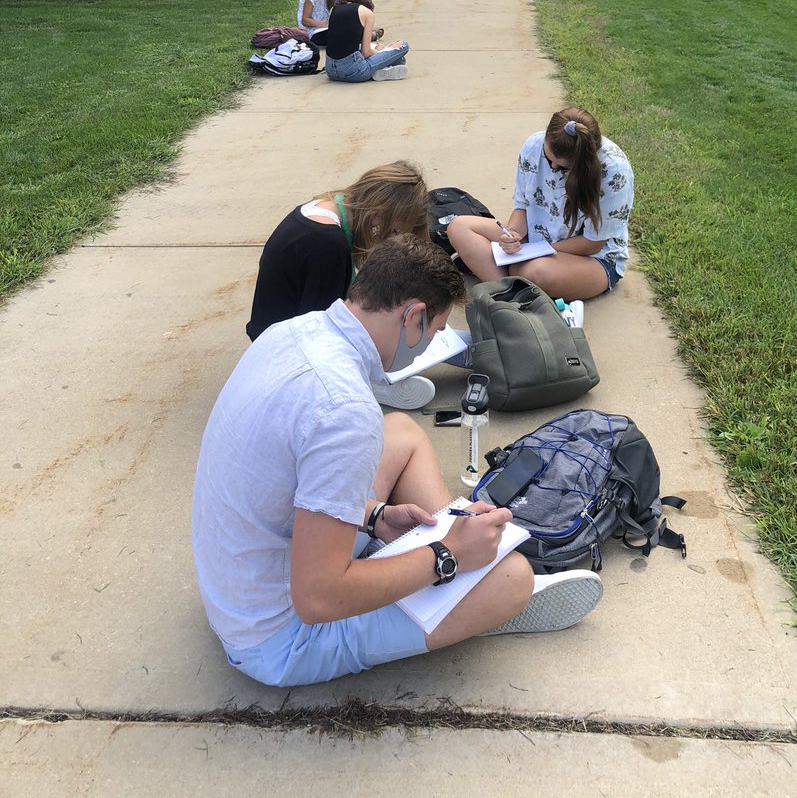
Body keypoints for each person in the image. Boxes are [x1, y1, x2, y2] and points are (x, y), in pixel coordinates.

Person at [194, 236, 603, 688]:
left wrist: (373, 516)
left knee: (403, 432)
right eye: (433, 332)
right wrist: (447, 555)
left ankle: (452, 577)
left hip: (238, 586)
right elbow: (317, 599)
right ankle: (466, 593)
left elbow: (287, 474)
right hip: (279, 637)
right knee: (513, 579)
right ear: (412, 317)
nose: (430, 345)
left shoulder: (294, 330)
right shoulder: (345, 413)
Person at [247, 161, 433, 408]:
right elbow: (321, 330)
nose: (391, 239)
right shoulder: (327, 243)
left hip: (273, 337)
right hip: (282, 358)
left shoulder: (326, 209)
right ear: (378, 213)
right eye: (394, 231)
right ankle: (372, 383)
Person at [447, 106, 633, 300]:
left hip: (591, 258)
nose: (552, 167)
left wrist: (535, 251)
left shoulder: (613, 171)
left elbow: (593, 243)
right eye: (548, 158)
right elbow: (523, 206)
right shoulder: (533, 145)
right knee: (458, 227)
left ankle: (500, 280)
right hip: (538, 241)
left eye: (562, 168)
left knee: (533, 272)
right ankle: (510, 293)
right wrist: (512, 234)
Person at [324, 0, 410, 82]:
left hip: (331, 72)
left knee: (397, 59)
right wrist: (380, 51)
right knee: (403, 47)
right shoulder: (367, 13)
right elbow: (366, 53)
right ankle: (379, 68)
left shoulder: (334, 9)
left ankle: (381, 70)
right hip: (355, 72)